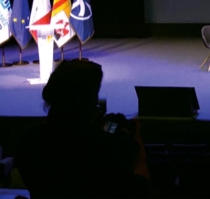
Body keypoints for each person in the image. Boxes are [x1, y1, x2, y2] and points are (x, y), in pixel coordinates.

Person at [16, 60, 150, 198]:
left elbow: (103, 127)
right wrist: (140, 155)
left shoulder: (29, 139)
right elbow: (139, 190)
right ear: (89, 100)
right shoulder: (99, 145)